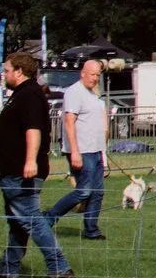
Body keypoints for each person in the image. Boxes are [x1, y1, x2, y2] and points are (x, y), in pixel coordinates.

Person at [0, 51, 71, 278]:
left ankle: (59, 267)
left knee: (31, 219)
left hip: (21, 171)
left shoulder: (30, 95)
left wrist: (30, 160)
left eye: (6, 70)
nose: (3, 74)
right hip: (13, 169)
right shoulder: (22, 93)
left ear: (19, 71)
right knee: (18, 223)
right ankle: (8, 269)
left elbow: (34, 129)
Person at [43, 59, 111, 239]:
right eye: (92, 75)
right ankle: (49, 218)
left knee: (97, 192)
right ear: (83, 73)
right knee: (84, 191)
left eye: (98, 75)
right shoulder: (74, 92)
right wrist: (74, 151)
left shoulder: (93, 94)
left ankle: (91, 230)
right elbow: (69, 123)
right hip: (81, 150)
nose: (95, 78)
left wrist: (103, 149)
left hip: (96, 150)